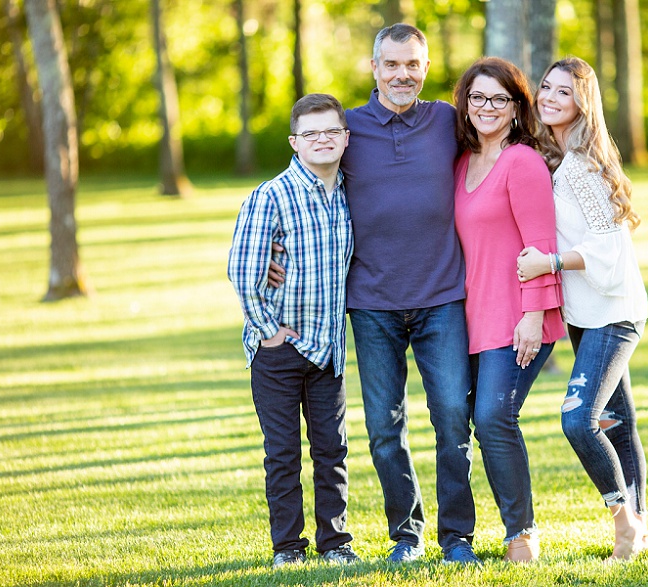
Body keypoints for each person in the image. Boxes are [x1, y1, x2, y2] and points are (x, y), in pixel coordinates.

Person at [270, 24, 479, 564]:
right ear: (374, 68)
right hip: (371, 303)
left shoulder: (447, 121)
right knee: (385, 428)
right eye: (392, 64)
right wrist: (275, 260)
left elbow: (499, 153)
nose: (402, 74)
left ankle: (457, 537)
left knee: (453, 415)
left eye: (412, 64)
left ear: (426, 68)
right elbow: (299, 184)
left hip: (442, 297)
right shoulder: (348, 130)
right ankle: (406, 537)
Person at [516, 56, 648, 561]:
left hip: (612, 315)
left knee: (579, 420)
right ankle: (637, 527)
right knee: (619, 421)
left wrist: (548, 262)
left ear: (582, 103)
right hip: (585, 313)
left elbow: (609, 251)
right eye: (546, 88)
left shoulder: (583, 167)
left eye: (563, 92)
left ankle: (624, 520)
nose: (550, 97)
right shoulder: (558, 156)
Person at [227, 93, 360, 568]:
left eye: (331, 131)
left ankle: (335, 542)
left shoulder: (350, 193)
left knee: (332, 451)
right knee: (282, 454)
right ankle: (287, 546)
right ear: (294, 142)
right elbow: (243, 271)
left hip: (328, 351)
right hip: (279, 350)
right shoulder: (271, 195)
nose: (322, 140)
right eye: (311, 133)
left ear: (345, 138)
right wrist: (268, 331)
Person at [452, 57, 565, 562]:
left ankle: (521, 535)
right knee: (482, 419)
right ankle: (508, 528)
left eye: (500, 99)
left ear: (518, 107)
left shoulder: (522, 162)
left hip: (520, 316)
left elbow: (541, 244)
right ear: (465, 103)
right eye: (478, 97)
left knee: (495, 416)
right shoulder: (461, 162)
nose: (487, 107)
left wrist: (533, 316)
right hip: (473, 317)